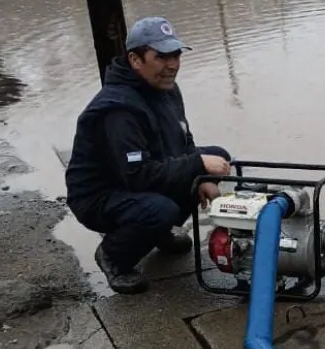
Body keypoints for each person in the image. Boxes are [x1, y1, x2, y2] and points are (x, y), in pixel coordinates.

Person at [65, 16, 232, 294]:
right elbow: (138, 176)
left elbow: (183, 140)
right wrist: (195, 165)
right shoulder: (117, 109)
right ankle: (114, 256)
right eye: (162, 57)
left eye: (176, 55)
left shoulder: (165, 89)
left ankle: (158, 233)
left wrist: (202, 173)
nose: (173, 65)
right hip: (99, 195)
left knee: (219, 159)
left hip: (137, 175)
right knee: (159, 208)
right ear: (135, 60)